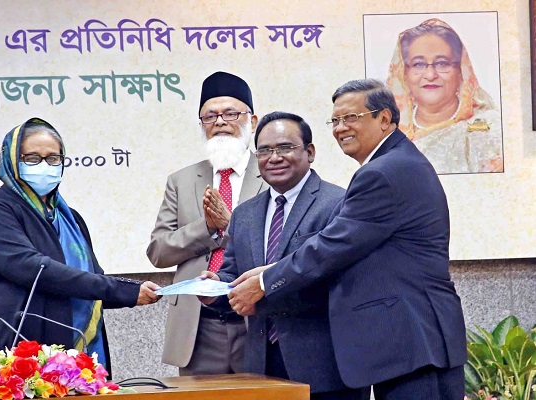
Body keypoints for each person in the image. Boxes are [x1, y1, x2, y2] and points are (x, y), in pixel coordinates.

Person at [228, 79, 467, 400]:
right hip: (412, 340)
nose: (341, 128)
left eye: (351, 117)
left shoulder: (382, 173)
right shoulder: (398, 162)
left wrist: (265, 281)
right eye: (335, 120)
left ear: (384, 119)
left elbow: (332, 247)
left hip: (413, 338)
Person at [0, 117, 161, 374]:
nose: (44, 166)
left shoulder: (70, 218)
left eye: (53, 158)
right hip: (16, 354)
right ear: (11, 160)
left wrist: (135, 292)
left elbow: (89, 284)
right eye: (32, 158)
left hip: (76, 353)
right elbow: (34, 269)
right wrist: (123, 290)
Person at [200, 112, 368, 399]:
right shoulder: (244, 214)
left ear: (310, 152)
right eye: (264, 151)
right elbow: (234, 274)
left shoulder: (340, 204)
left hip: (326, 368)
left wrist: (263, 292)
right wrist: (215, 289)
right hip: (262, 368)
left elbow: (341, 282)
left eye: (285, 148)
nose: (274, 158)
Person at [146, 71, 268, 375]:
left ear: (252, 121)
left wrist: (230, 225)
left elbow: (281, 246)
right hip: (198, 325)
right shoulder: (182, 180)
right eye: (210, 116)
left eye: (231, 113)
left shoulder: (272, 174)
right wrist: (208, 228)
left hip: (255, 319)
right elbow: (159, 251)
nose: (220, 122)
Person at [386, 18, 503, 174]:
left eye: (442, 63)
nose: (430, 75)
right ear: (403, 73)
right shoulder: (387, 132)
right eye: (418, 64)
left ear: (461, 71)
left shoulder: (490, 128)